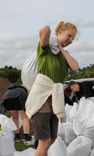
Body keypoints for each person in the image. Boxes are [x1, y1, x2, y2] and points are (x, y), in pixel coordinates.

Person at [25, 21, 79, 156]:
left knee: (52, 139)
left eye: (73, 38)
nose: (71, 40)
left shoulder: (62, 53)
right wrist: (54, 39)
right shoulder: (46, 49)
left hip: (55, 99)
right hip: (41, 97)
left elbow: (75, 67)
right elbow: (45, 30)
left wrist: (61, 48)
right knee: (45, 141)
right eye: (69, 35)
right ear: (60, 32)